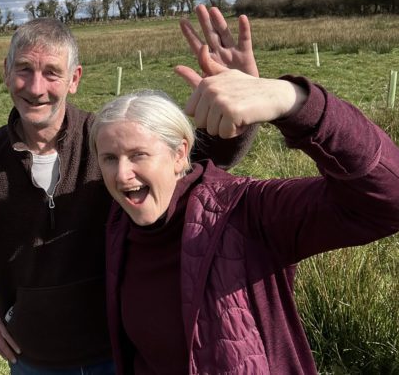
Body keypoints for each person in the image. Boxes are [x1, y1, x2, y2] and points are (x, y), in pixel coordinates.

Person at [0, 8, 259, 374]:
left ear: (74, 79)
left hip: (120, 350)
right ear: (7, 73)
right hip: (32, 359)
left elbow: (186, 168)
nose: (36, 87)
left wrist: (239, 114)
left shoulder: (106, 139)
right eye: (24, 69)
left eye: (52, 73)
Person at [90, 19, 399, 373]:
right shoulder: (118, 224)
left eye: (138, 155)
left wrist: (291, 101)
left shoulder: (245, 214)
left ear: (179, 155)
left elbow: (389, 199)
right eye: (109, 158)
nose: (121, 174)